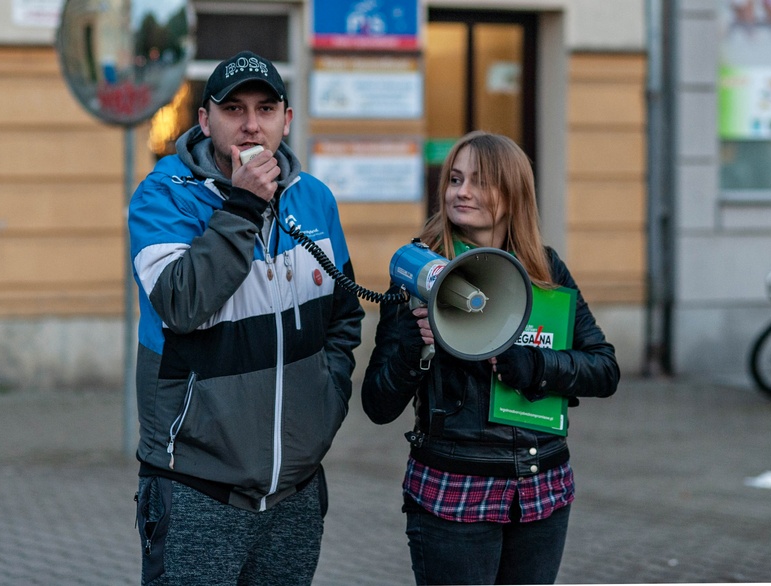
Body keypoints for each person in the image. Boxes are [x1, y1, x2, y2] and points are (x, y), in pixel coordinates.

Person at [128, 50, 364, 585]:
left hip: (295, 493)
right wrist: (242, 206)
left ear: (287, 119)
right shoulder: (162, 196)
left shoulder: (314, 200)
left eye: (266, 109)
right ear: (204, 119)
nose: (251, 124)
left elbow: (343, 318)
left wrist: (326, 403)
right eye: (233, 109)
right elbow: (181, 303)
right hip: (197, 487)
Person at [361, 131, 620, 585]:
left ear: (513, 192)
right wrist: (415, 347)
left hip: (540, 491)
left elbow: (604, 369)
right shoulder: (422, 272)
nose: (462, 192)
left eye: (480, 181)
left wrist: (536, 367)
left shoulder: (544, 268)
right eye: (455, 179)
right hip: (456, 493)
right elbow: (378, 404)